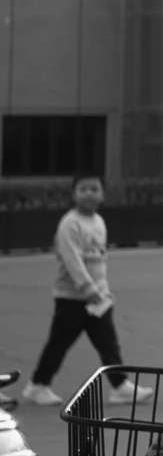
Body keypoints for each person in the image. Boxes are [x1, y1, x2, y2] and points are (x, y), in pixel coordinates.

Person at [20, 175, 150, 408]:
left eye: (94, 189)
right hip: (71, 298)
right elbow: (72, 260)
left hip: (96, 298)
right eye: (83, 189)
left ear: (103, 195)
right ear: (73, 194)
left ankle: (120, 386)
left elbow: (100, 260)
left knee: (108, 343)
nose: (89, 193)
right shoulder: (70, 224)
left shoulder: (99, 221)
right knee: (58, 343)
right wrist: (88, 288)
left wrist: (102, 290)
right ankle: (37, 386)